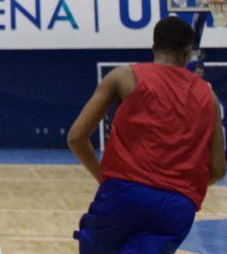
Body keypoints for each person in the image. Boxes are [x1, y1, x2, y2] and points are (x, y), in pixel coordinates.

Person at [67, 17, 226, 253]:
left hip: (124, 192)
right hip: (177, 205)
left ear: (153, 46)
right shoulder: (209, 97)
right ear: (187, 53)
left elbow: (76, 137)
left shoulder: (124, 76)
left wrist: (103, 177)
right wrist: (183, 190)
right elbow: (218, 170)